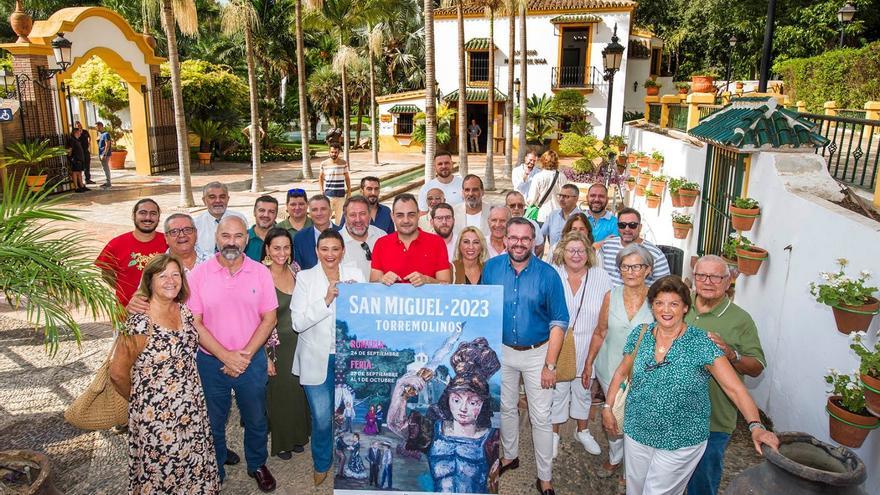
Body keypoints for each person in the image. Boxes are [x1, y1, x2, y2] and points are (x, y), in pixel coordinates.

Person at [601, 276, 779, 495]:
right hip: (637, 432)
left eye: (673, 303)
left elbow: (735, 389)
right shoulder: (640, 334)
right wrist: (607, 408)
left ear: (685, 307)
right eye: (659, 303)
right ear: (652, 306)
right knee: (635, 489)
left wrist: (756, 426)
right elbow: (621, 372)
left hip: (681, 439)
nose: (666, 309)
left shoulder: (702, 342)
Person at [110, 254, 220, 494]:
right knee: (163, 472)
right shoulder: (140, 323)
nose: (171, 280)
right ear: (149, 281)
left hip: (191, 409)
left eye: (175, 274)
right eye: (163, 276)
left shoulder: (185, 312)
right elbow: (117, 372)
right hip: (156, 418)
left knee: (194, 466)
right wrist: (140, 402)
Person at [188, 216, 278, 492]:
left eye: (238, 236)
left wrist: (244, 356)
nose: (231, 241)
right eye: (226, 235)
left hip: (251, 361)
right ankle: (214, 468)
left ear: (246, 240)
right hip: (210, 362)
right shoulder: (198, 274)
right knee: (213, 420)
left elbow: (269, 318)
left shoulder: (260, 272)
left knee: (256, 417)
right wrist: (226, 356)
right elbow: (195, 322)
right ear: (216, 238)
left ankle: (257, 464)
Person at [481, 217, 569, 495]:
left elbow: (559, 322)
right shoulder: (491, 269)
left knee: (541, 417)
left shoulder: (549, 274)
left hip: (538, 353)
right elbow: (483, 311)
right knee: (505, 408)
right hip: (502, 352)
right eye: (514, 238)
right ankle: (509, 456)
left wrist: (550, 365)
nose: (519, 243)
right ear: (505, 239)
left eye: (525, 239)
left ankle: (545, 477)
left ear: (534, 242)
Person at [686, 255, 767, 495]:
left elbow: (757, 366)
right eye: (702, 275)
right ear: (694, 278)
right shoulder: (678, 306)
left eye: (716, 276)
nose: (708, 282)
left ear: (728, 281)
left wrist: (732, 355)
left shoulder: (740, 319)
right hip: (676, 414)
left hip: (715, 419)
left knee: (703, 482)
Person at [291, 229, 366, 486]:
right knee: (322, 418)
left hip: (348, 359)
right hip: (316, 357)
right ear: (316, 251)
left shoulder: (356, 274)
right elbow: (298, 322)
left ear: (343, 251)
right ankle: (322, 462)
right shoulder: (304, 278)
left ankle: (349, 458)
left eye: (335, 249)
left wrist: (359, 299)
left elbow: (366, 318)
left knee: (348, 417)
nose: (330, 255)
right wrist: (327, 299)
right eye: (324, 249)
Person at [387, 337, 501, 493]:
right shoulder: (433, 432)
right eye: (456, 400)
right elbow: (396, 425)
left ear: (482, 404)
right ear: (448, 399)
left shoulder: (493, 441)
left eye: (473, 402)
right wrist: (400, 388)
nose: (463, 408)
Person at [584, 243, 655, 485]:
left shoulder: (659, 298)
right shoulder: (610, 296)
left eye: (637, 266)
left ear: (648, 269)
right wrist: (588, 364)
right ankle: (615, 458)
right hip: (609, 368)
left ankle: (632, 470)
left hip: (645, 372)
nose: (631, 271)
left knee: (638, 420)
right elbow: (600, 331)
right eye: (625, 267)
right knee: (613, 417)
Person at [549, 232, 611, 459]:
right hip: (558, 343)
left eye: (581, 250)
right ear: (562, 253)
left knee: (584, 390)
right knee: (558, 391)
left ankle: (582, 430)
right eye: (571, 250)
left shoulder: (601, 277)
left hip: (589, 343)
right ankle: (554, 434)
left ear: (589, 253)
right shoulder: (553, 274)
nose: (576, 255)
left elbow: (605, 314)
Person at [261, 227, 311, 460]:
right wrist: (264, 355)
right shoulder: (260, 275)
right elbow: (255, 318)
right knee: (281, 396)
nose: (282, 252)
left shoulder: (296, 270)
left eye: (286, 247)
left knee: (298, 392)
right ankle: (282, 442)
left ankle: (299, 436)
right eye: (277, 248)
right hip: (276, 345)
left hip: (301, 341)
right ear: (268, 249)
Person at [96, 198, 168, 306]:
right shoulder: (116, 244)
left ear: (158, 218)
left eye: (153, 214)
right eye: (142, 213)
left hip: (162, 310)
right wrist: (125, 290)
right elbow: (106, 275)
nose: (148, 218)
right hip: (126, 311)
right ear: (133, 216)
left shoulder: (168, 242)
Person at [370, 193, 452, 286]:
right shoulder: (381, 244)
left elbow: (446, 284)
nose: (406, 220)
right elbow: (373, 284)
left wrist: (427, 280)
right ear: (392, 217)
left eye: (411, 215)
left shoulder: (436, 243)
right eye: (400, 215)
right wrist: (382, 279)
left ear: (418, 215)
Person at [599, 207, 670, 286]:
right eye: (622, 225)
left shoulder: (656, 254)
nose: (627, 229)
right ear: (618, 227)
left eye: (632, 225)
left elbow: (664, 287)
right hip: (608, 297)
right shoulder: (607, 247)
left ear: (640, 227)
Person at [192, 182, 247, 259]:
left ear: (227, 199)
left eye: (222, 197)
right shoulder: (195, 224)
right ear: (204, 200)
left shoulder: (239, 219)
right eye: (212, 197)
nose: (218, 201)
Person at [340, 195, 386, 279]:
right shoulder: (335, 242)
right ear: (345, 217)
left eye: (362, 214)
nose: (358, 220)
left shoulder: (381, 236)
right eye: (353, 215)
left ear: (370, 215)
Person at [293, 194, 338, 270]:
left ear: (330, 212)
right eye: (314, 210)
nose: (319, 213)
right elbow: (298, 270)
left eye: (323, 209)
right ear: (309, 214)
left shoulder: (343, 234)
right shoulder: (300, 238)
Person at [526, 150, 568, 224]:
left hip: (542, 215)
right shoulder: (562, 177)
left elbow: (531, 199)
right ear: (556, 162)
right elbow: (566, 197)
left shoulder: (538, 177)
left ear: (542, 161)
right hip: (558, 215)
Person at [505, 190, 545, 258]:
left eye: (520, 205)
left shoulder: (533, 224)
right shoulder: (501, 225)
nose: (516, 208)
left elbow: (540, 245)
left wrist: (528, 258)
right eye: (512, 206)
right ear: (506, 206)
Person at [541, 184, 583, 248]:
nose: (561, 199)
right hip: (553, 257)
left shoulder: (582, 218)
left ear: (576, 199)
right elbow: (541, 235)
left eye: (566, 196)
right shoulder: (553, 215)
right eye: (560, 195)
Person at [320, 143, 350, 222]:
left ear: (339, 152)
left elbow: (347, 178)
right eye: (332, 152)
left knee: (339, 219)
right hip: (328, 195)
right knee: (326, 218)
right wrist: (321, 190)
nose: (334, 154)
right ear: (329, 152)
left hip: (340, 195)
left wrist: (349, 191)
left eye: (336, 152)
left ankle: (338, 234)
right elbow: (320, 177)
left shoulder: (344, 163)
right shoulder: (324, 164)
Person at [245, 195, 279, 261]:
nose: (266, 215)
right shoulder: (243, 237)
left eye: (271, 212)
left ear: (276, 215)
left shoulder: (284, 238)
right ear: (254, 212)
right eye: (262, 210)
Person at [68, 127, 88, 192]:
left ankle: (81, 186)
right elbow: (70, 150)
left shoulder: (77, 140)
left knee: (79, 172)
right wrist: (70, 158)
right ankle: (76, 187)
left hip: (80, 159)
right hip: (75, 159)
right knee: (75, 172)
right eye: (79, 132)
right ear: (76, 132)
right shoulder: (72, 140)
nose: (80, 133)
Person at [95, 121, 112, 188]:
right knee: (104, 168)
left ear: (101, 126)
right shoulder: (100, 135)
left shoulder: (106, 134)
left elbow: (107, 145)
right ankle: (107, 181)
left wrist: (104, 154)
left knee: (106, 167)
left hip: (104, 154)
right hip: (101, 153)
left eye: (96, 126)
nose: (96, 128)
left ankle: (108, 182)